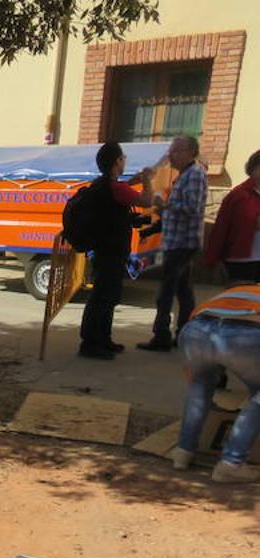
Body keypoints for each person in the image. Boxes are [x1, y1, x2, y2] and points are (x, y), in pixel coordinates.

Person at [170, 281, 260, 483]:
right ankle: (231, 463)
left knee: (200, 385)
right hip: (248, 336)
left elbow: (191, 377)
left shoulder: (239, 292)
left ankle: (183, 452)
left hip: (196, 330)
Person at [77, 142, 154, 360]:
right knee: (103, 297)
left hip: (105, 250)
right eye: (122, 158)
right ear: (117, 162)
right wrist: (147, 181)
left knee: (106, 297)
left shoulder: (104, 185)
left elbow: (119, 194)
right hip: (111, 251)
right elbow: (146, 200)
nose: (125, 161)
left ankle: (102, 339)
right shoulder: (115, 188)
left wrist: (133, 182)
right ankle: (91, 343)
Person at [139, 135, 209, 352]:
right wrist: (163, 210)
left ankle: (161, 336)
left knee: (166, 291)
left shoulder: (195, 174)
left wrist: (165, 204)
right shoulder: (185, 175)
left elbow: (191, 207)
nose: (171, 155)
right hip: (177, 241)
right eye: (171, 150)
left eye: (176, 151)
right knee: (183, 291)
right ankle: (184, 335)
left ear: (190, 152)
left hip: (182, 242)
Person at [205, 149, 260, 284]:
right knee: (240, 302)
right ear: (253, 169)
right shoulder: (239, 195)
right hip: (242, 261)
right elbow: (221, 228)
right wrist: (213, 260)